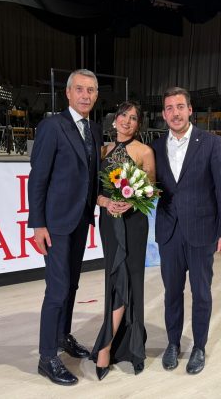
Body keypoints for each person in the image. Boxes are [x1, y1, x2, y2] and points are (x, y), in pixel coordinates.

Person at [151, 86, 221, 375]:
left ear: (189, 110)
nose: (175, 113)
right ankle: (173, 343)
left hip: (202, 231)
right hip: (169, 232)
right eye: (169, 108)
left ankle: (199, 346)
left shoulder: (210, 143)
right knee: (172, 293)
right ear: (164, 114)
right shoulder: (155, 147)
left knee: (201, 293)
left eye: (180, 107)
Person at [28, 69, 102, 386]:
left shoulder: (94, 129)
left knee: (71, 285)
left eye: (91, 90)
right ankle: (47, 357)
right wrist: (38, 224)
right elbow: (38, 178)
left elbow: (91, 175)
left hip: (81, 219)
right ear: (68, 93)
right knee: (57, 289)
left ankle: (62, 336)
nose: (86, 95)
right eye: (80, 89)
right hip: (56, 223)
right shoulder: (52, 126)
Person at [89, 101, 155, 381]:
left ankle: (109, 346)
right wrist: (105, 202)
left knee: (130, 279)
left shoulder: (144, 151)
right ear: (114, 119)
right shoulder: (102, 151)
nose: (127, 121)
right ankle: (113, 343)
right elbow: (93, 191)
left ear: (138, 125)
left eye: (134, 118)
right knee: (115, 278)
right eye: (123, 116)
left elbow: (151, 189)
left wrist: (131, 201)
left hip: (134, 224)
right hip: (109, 223)